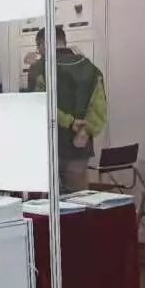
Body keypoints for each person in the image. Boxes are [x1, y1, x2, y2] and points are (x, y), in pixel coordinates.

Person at [29, 26, 107, 192]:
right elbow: (99, 109)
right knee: (79, 199)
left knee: (49, 202)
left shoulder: (39, 68)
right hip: (79, 149)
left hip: (48, 147)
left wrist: (69, 122)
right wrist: (85, 131)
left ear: (43, 44)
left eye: (38, 47)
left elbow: (40, 106)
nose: (38, 51)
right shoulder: (91, 68)